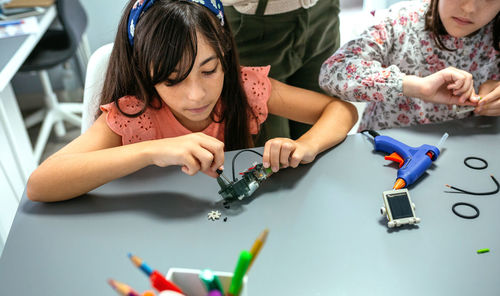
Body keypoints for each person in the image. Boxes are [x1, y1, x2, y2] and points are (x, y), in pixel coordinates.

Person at [26, 0, 357, 202]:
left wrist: (307, 144)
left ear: (224, 52)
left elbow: (341, 109)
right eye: (172, 80)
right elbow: (41, 184)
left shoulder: (243, 87)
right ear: (143, 71)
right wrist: (152, 151)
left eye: (209, 70)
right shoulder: (134, 114)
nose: (197, 95)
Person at [319, 0, 500, 131]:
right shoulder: (399, 21)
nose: (469, 8)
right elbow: (333, 71)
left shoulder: (494, 34)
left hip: (464, 147)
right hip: (386, 146)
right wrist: (411, 86)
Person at [223, 0, 341, 143]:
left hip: (321, 13)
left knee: (324, 138)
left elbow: (339, 112)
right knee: (270, 150)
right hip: (251, 20)